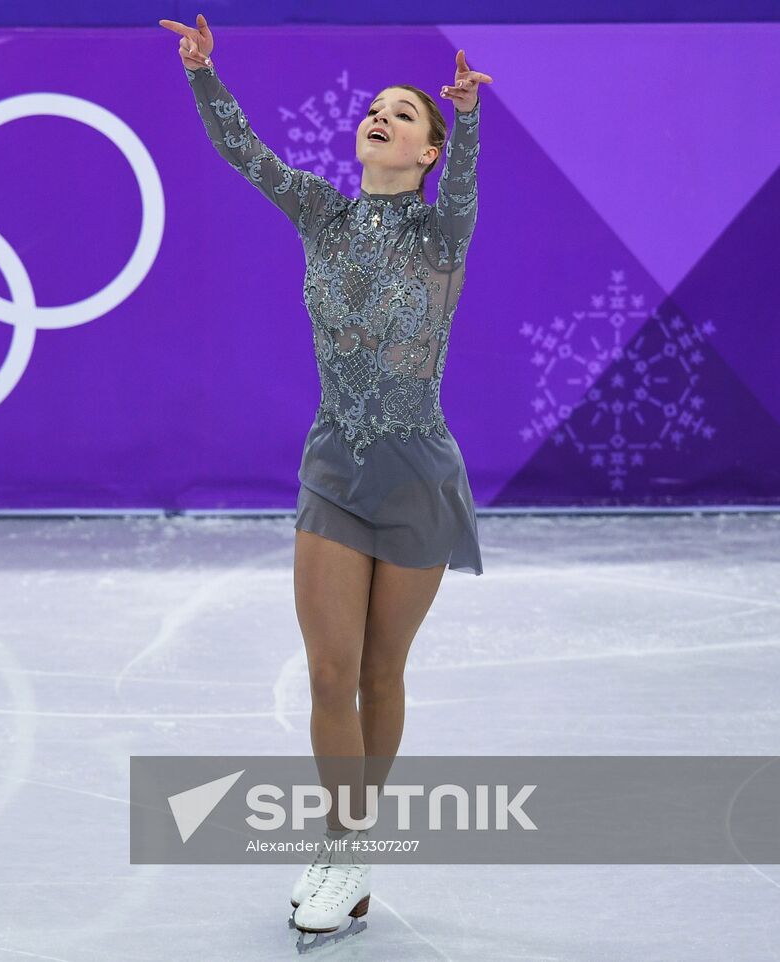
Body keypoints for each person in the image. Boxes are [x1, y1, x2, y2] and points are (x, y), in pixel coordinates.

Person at [158, 12, 494, 949]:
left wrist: (466, 121)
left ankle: (358, 840)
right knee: (329, 669)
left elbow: (465, 180)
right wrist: (203, 73)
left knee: (384, 671)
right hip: (335, 468)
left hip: (419, 474)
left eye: (403, 115)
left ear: (426, 152)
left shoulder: (442, 228)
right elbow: (244, 152)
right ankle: (339, 849)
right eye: (375, 109)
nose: (381, 118)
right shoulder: (322, 211)